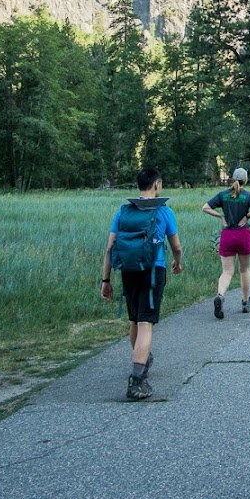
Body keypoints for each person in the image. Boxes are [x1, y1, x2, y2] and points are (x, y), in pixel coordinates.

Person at [101, 168, 183, 400]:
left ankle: (142, 359)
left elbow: (109, 248)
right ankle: (136, 380)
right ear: (156, 184)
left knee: (135, 319)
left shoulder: (123, 211)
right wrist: (177, 262)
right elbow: (176, 247)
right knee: (146, 323)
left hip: (128, 270)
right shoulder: (164, 211)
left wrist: (106, 280)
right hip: (153, 271)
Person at [202, 167, 250, 317]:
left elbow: (205, 207)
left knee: (227, 271)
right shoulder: (248, 195)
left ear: (232, 179)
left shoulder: (223, 195)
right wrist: (247, 217)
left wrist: (221, 217)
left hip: (227, 236)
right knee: (244, 270)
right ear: (245, 180)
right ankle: (245, 303)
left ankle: (220, 295)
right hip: (244, 235)